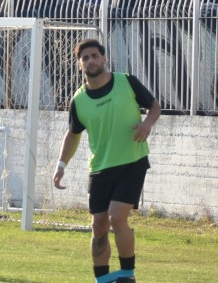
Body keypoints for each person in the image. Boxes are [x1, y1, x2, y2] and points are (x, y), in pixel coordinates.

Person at [53, 38, 161, 283]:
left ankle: (127, 275)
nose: (91, 60)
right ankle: (102, 279)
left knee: (116, 217)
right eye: (85, 58)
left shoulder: (127, 82)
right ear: (80, 65)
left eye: (95, 55)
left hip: (132, 162)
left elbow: (154, 107)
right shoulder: (78, 100)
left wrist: (146, 124)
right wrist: (60, 165)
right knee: (98, 225)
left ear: (103, 58)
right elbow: (73, 134)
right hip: (100, 168)